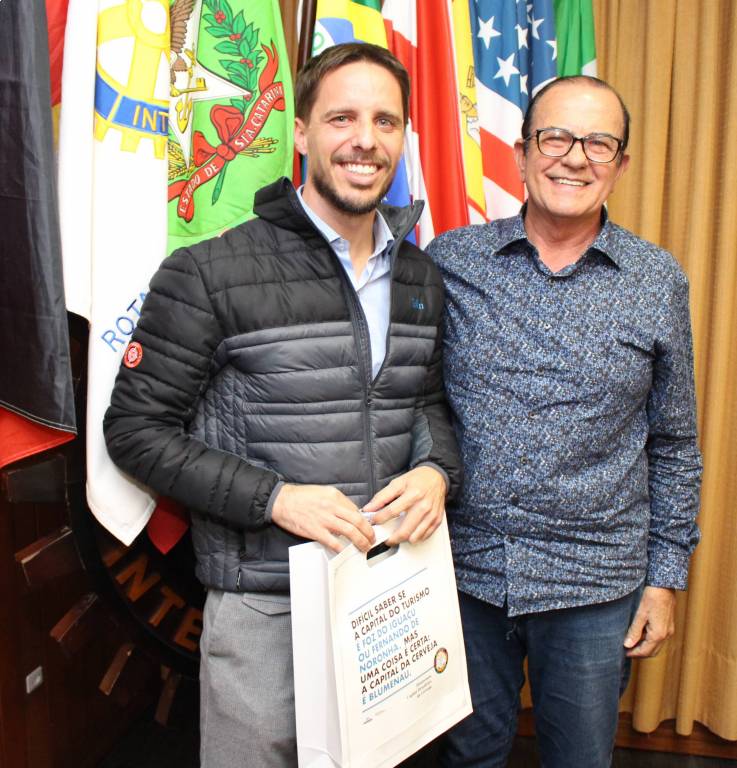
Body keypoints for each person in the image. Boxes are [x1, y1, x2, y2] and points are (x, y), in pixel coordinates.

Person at [103, 43, 461, 767]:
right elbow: (135, 431)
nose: (365, 140)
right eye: (342, 118)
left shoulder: (421, 275)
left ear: (404, 137)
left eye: (386, 121)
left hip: (387, 593)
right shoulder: (209, 271)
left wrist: (438, 472)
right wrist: (274, 499)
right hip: (264, 601)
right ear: (300, 132)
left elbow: (426, 403)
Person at [427, 76, 702, 768]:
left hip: (594, 584)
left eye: (598, 143)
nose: (574, 158)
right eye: (554, 137)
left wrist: (665, 579)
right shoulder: (451, 262)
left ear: (620, 164)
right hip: (464, 573)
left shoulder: (656, 281)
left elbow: (674, 443)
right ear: (521, 152)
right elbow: (409, 400)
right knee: (465, 758)